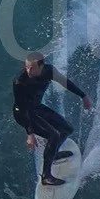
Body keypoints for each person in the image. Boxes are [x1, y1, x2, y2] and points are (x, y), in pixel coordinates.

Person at [13, 52, 92, 186]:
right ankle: (46, 176)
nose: (28, 71)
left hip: (37, 108)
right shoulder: (20, 81)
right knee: (54, 135)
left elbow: (65, 82)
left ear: (41, 66)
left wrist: (83, 96)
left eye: (32, 68)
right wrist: (30, 133)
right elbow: (22, 107)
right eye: (26, 67)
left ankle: (52, 154)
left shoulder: (49, 71)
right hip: (23, 113)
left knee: (67, 129)